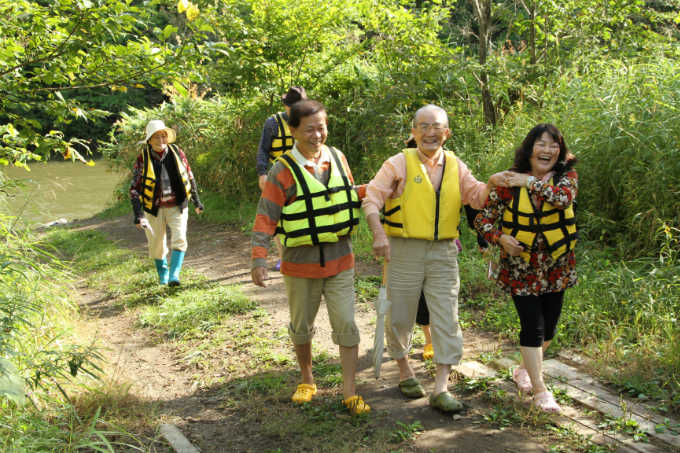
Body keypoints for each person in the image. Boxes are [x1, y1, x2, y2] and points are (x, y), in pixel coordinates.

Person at [363, 104, 507, 412]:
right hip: (403, 249)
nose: (430, 132)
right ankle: (404, 369)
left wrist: (493, 183)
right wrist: (378, 234)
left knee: (446, 316)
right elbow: (372, 200)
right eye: (424, 126)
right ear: (413, 132)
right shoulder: (397, 164)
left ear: (447, 133)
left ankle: (441, 388)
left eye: (436, 127)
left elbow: (477, 198)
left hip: (443, 251)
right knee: (400, 315)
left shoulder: (456, 165)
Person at [251, 99, 370, 415]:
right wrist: (259, 258)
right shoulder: (282, 170)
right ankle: (307, 379)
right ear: (293, 131)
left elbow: (345, 195)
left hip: (341, 258)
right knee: (301, 327)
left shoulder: (339, 157)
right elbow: (266, 216)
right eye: (309, 129)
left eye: (322, 127)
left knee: (346, 323)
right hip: (300, 264)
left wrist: (373, 190)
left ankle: (349, 392)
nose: (317, 135)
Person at [474, 123, 578, 413]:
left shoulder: (566, 177)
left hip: (557, 265)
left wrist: (528, 182)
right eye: (541, 144)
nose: (547, 150)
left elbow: (562, 200)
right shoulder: (508, 182)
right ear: (530, 148)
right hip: (521, 267)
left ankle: (522, 370)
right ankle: (541, 390)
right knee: (532, 326)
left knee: (549, 330)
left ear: (561, 150)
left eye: (554, 145)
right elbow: (482, 220)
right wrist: (500, 238)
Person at [130, 120, 204, 286]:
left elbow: (190, 176)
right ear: (149, 140)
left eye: (164, 136)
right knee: (157, 245)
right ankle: (163, 274)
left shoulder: (177, 151)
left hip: (177, 205)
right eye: (157, 137)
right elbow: (134, 188)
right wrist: (138, 216)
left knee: (179, 238)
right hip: (153, 209)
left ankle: (174, 275)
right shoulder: (143, 158)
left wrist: (197, 201)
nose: (161, 140)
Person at [256, 87, 308, 271]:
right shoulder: (273, 123)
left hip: (302, 173)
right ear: (286, 106)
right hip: (277, 174)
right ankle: (283, 257)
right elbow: (263, 149)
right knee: (278, 216)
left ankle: (302, 254)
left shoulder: (307, 120)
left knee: (302, 213)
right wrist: (262, 173)